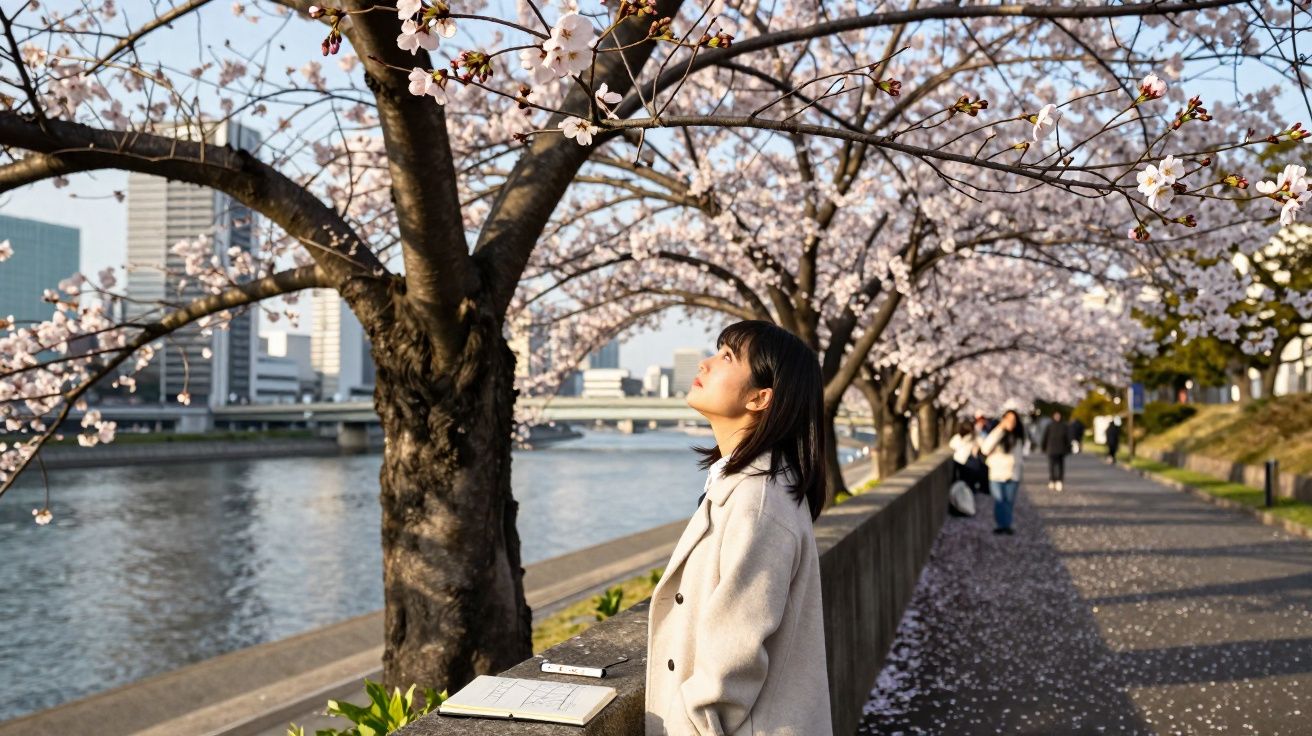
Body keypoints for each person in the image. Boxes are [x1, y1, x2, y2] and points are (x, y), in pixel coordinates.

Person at [646, 320, 831, 736]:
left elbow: (732, 663)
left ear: (760, 398)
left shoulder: (758, 502)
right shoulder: (747, 483)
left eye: (727, 356)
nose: (706, 363)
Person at [979, 409, 1025, 535]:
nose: (1011, 423)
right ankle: (1001, 525)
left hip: (1013, 474)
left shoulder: (1018, 437)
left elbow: (1020, 456)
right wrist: (1000, 428)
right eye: (1008, 419)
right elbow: (985, 448)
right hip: (997, 473)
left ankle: (1006, 525)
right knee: (999, 500)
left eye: (1014, 420)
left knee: (1009, 501)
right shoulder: (997, 434)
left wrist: (1019, 468)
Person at [1040, 411, 1070, 491]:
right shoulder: (1049, 426)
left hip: (1061, 449)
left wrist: (1068, 448)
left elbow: (1067, 438)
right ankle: (1052, 480)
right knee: (1051, 466)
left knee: (1060, 466)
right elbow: (1045, 437)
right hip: (1051, 449)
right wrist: (1043, 447)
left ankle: (1059, 480)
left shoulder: (1064, 426)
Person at [949, 421, 979, 488]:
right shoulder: (973, 437)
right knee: (969, 484)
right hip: (968, 462)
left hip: (959, 461)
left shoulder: (957, 437)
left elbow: (952, 445)